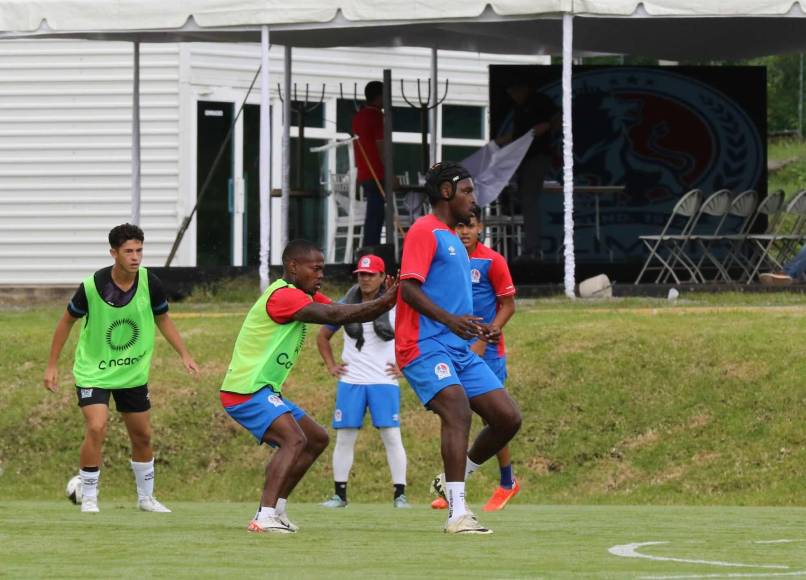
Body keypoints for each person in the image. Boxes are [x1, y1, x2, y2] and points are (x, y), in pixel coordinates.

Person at [220, 239, 398, 534]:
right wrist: (384, 301)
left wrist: (386, 301)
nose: (321, 275)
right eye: (315, 269)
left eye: (322, 269)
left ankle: (276, 510)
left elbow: (344, 310)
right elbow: (334, 316)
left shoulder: (302, 294)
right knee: (293, 440)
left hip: (262, 390)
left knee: (316, 438)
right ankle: (264, 516)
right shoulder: (284, 296)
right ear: (293, 267)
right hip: (245, 391)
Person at [396, 161, 522, 534]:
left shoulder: (452, 238)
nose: (473, 198)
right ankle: (457, 512)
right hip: (423, 344)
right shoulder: (424, 230)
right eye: (466, 191)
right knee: (457, 409)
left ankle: (455, 476)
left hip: (457, 348)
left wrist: (471, 326)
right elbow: (408, 289)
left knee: (507, 418)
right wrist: (450, 320)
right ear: (446, 192)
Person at [43, 223, 199, 514]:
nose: (135, 257)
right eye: (128, 251)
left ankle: (146, 499)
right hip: (93, 371)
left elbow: (163, 318)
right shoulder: (92, 286)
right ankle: (90, 497)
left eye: (139, 250)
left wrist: (184, 354)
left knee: (142, 436)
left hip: (132, 373)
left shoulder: (150, 282)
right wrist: (52, 365)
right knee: (97, 426)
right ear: (113, 253)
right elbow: (66, 321)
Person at [431, 204, 520, 512]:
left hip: (487, 352)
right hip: (454, 349)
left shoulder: (492, 260)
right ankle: (454, 485)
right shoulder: (448, 260)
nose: (464, 232)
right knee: (453, 413)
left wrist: (484, 338)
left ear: (480, 228)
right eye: (460, 226)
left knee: (493, 418)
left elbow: (508, 305)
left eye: (470, 226)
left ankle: (506, 481)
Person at [316, 254, 409, 509]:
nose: (365, 279)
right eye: (361, 274)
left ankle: (400, 495)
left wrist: (404, 366)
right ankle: (339, 495)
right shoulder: (346, 304)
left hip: (384, 380)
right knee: (345, 437)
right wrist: (331, 365)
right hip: (352, 379)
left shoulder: (396, 304)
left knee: (391, 436)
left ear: (382, 277)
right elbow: (322, 336)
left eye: (370, 274)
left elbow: (414, 335)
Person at [496, 80, 560, 257]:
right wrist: (496, 144)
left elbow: (556, 118)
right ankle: (531, 245)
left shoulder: (539, 101)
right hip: (523, 159)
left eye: (514, 92)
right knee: (526, 200)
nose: (513, 96)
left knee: (529, 200)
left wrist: (547, 126)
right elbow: (518, 135)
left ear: (523, 89)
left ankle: (533, 247)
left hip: (537, 156)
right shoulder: (519, 109)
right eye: (510, 93)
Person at [353, 80, 386, 247]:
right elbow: (382, 146)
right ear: (379, 97)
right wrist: (389, 171)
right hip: (376, 172)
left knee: (373, 213)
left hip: (364, 172)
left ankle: (369, 248)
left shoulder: (358, 116)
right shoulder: (377, 116)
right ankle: (371, 249)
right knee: (376, 214)